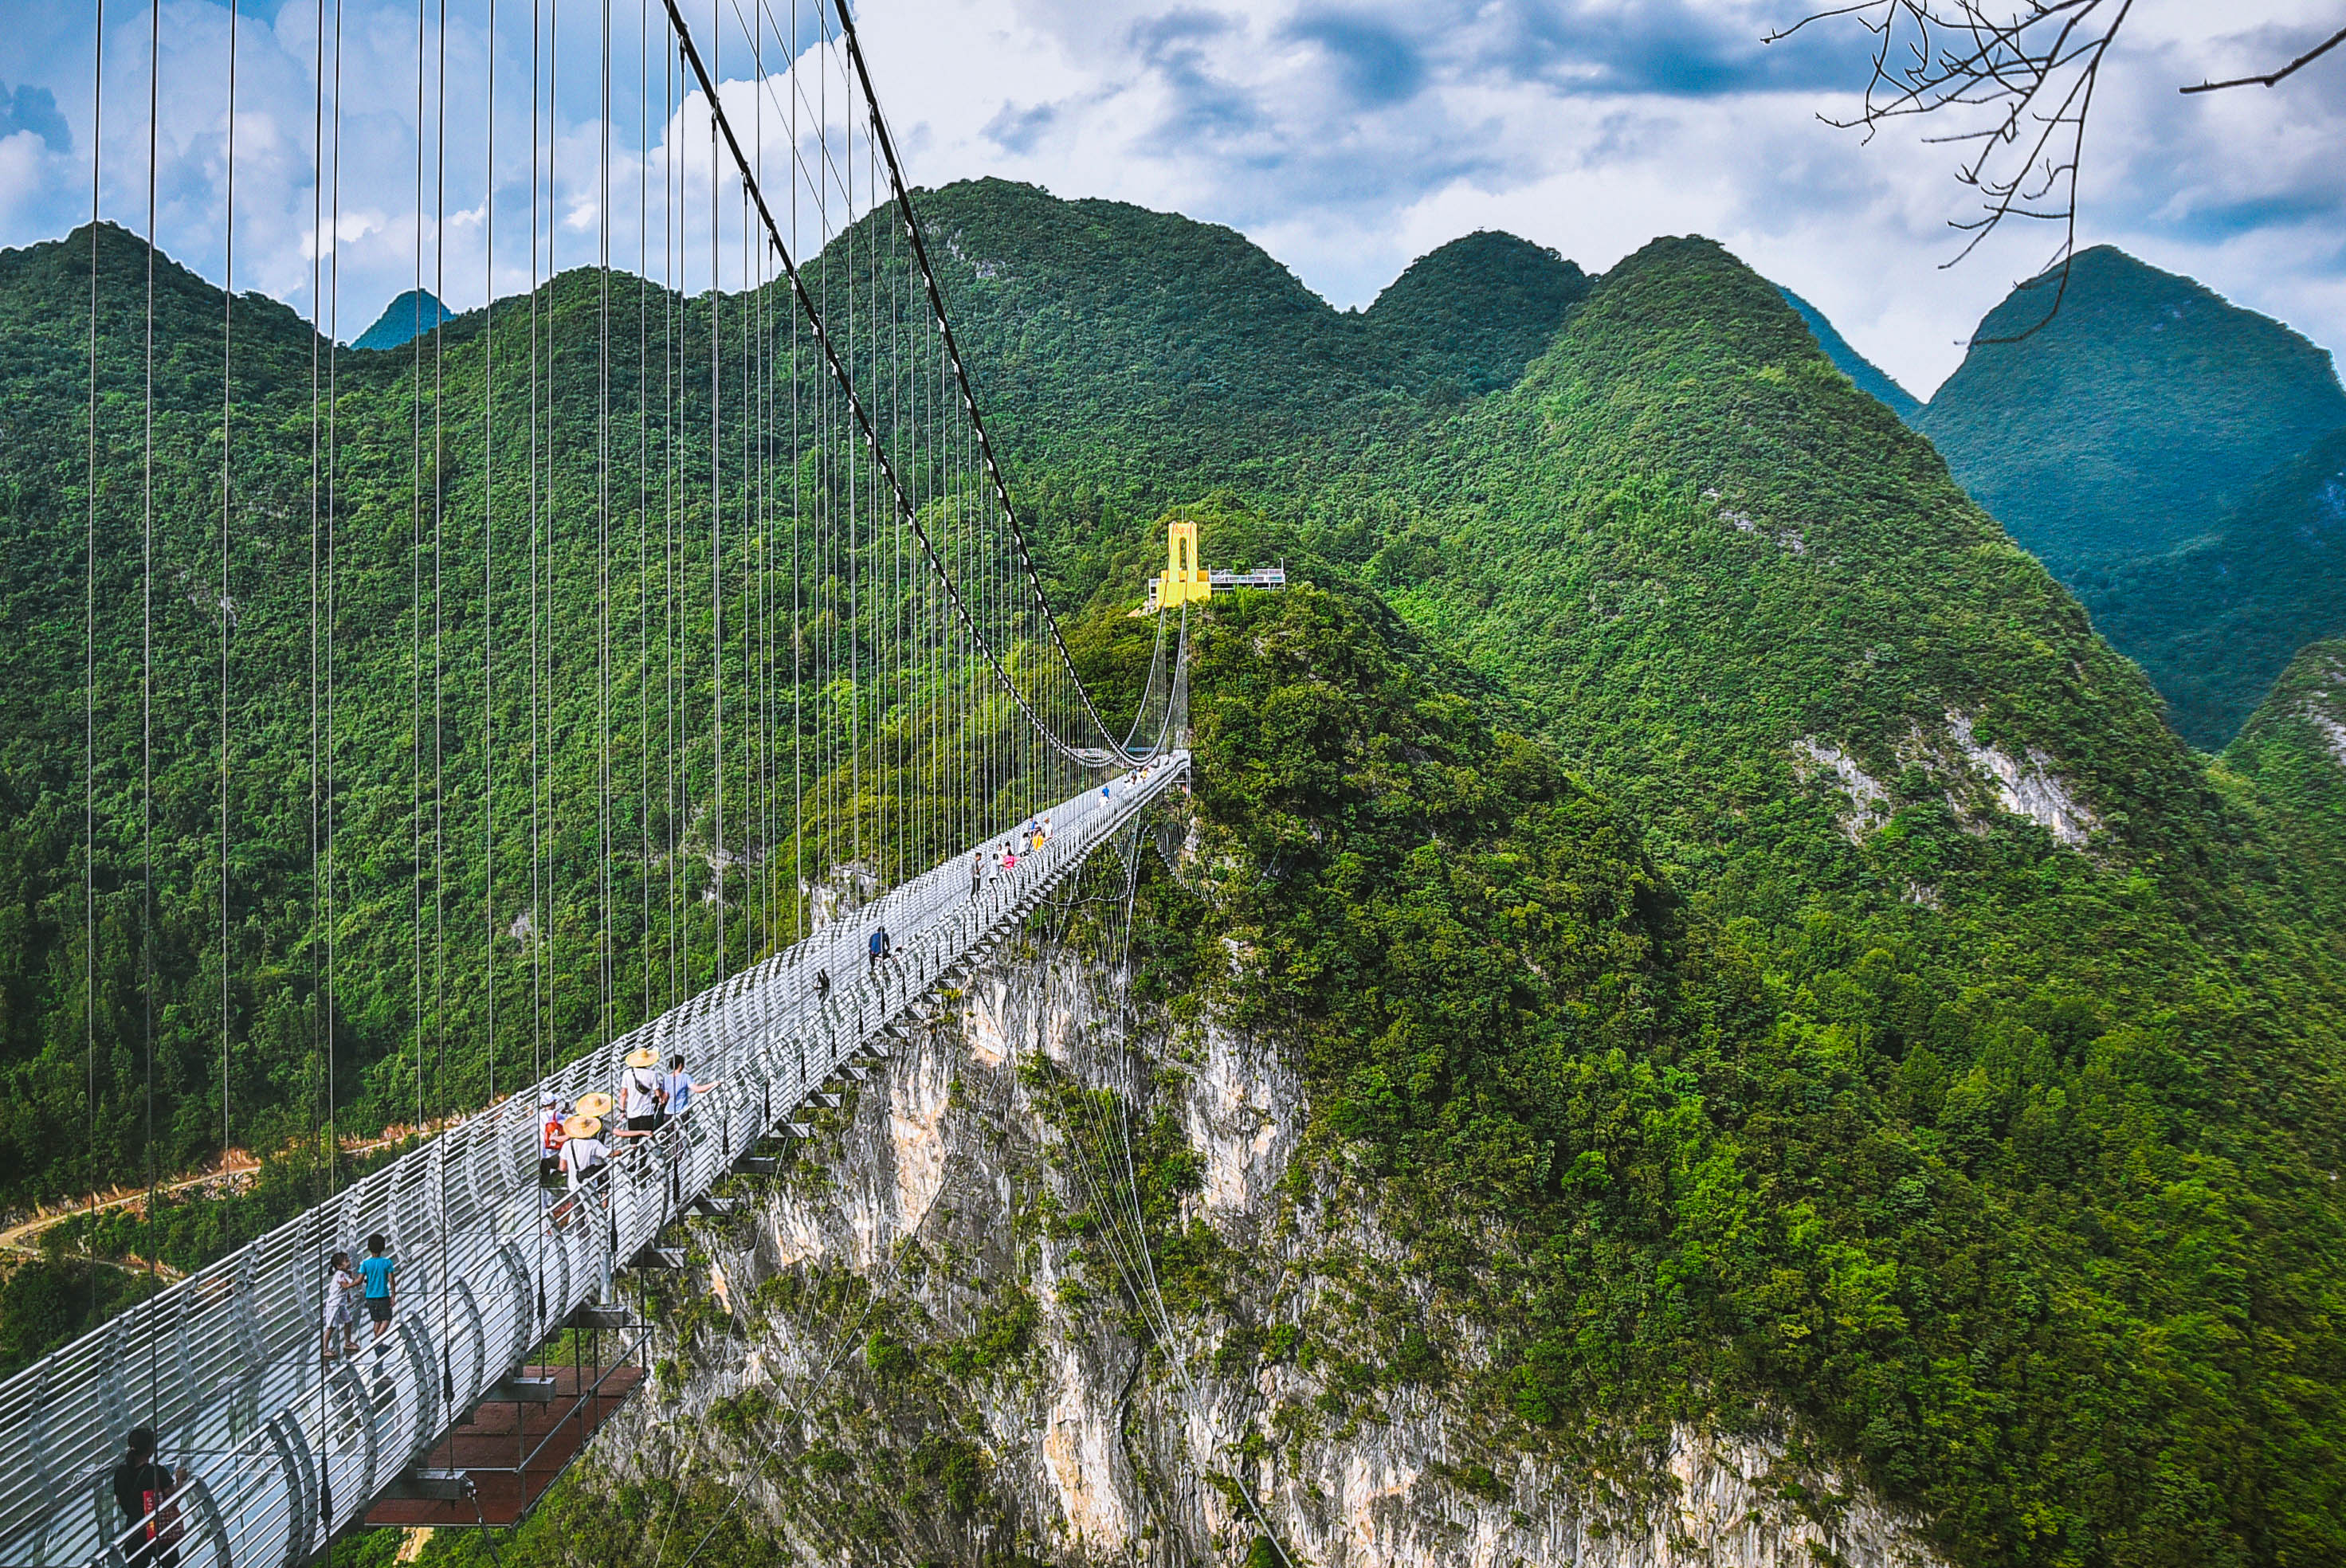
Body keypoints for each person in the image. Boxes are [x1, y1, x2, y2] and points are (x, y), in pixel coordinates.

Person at [111, 1428, 179, 1568]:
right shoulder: (157, 1472)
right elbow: (175, 1499)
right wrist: (180, 1480)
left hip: (133, 1532)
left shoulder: (120, 1472)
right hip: (158, 1531)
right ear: (149, 1448)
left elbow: (119, 1500)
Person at [358, 1233, 398, 1343]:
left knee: (377, 1320)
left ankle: (379, 1345)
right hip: (383, 1296)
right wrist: (393, 1296)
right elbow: (391, 1280)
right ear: (383, 1247)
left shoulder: (365, 1264)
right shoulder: (387, 1262)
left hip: (370, 1297)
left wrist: (348, 1285)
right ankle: (377, 1339)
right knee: (387, 1318)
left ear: (369, 1248)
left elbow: (360, 1280)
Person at [321, 1251, 359, 1362]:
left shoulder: (344, 1273)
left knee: (348, 1322)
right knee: (331, 1327)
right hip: (334, 1305)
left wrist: (347, 1296)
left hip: (340, 1304)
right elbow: (347, 1285)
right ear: (339, 1266)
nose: (349, 1262)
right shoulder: (340, 1274)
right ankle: (325, 1349)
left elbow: (344, 1288)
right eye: (346, 1261)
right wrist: (356, 1278)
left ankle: (348, 1342)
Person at [619, 1047, 664, 1133]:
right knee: (647, 1137)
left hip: (632, 1111)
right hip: (647, 1111)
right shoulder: (652, 1074)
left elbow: (623, 1094)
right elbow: (657, 1093)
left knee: (634, 1139)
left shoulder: (627, 1073)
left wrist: (622, 1111)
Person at [663, 1054, 717, 1121]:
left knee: (669, 1131)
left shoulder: (666, 1078)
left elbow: (665, 1096)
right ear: (680, 1065)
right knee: (682, 1131)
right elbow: (698, 1090)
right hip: (681, 1112)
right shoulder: (685, 1077)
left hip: (668, 1112)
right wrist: (713, 1084)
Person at [538, 1094, 566, 1182]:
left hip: (543, 1153)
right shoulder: (557, 1115)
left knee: (544, 1177)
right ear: (552, 1104)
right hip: (555, 1152)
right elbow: (567, 1125)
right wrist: (567, 1115)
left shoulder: (538, 1116)